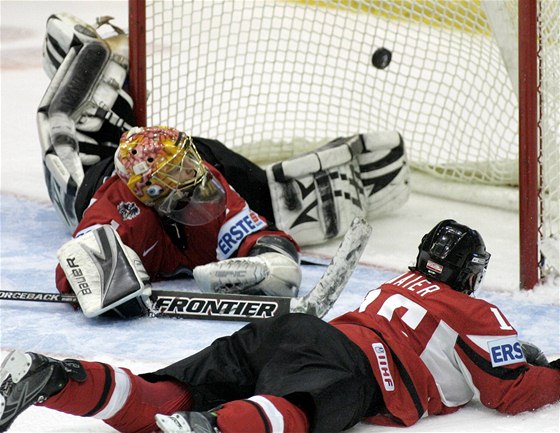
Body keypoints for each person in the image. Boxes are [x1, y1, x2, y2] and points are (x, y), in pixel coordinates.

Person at [1, 219, 559, 433]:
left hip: (286, 332)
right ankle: (214, 430)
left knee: (165, 395)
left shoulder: (392, 285)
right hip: (350, 364)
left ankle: (55, 378)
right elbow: (513, 393)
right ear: (470, 272)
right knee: (294, 411)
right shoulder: (477, 314)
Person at [37, 13, 410, 318]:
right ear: (151, 190)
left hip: (143, 171)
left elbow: (263, 237)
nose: (193, 170)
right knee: (60, 132)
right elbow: (73, 270)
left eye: (186, 162)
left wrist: (269, 263)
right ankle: (91, 59)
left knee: (211, 154)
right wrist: (108, 276)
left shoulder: (203, 183)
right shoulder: (118, 215)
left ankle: (260, 184)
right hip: (94, 181)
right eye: (178, 169)